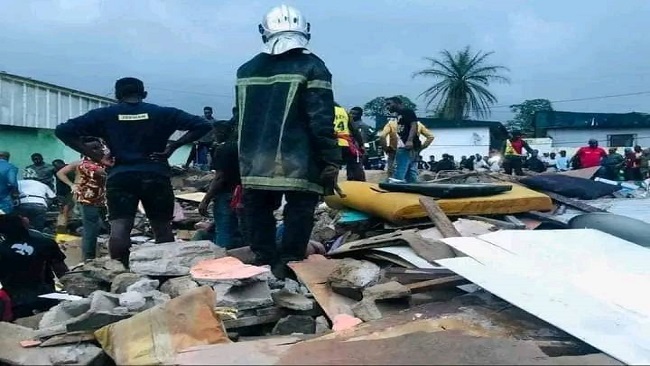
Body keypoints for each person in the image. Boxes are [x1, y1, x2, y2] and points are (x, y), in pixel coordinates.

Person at [54, 77, 211, 266]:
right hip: (156, 175)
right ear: (143, 94)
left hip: (121, 176)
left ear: (117, 95)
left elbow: (63, 130)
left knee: (119, 228)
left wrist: (96, 157)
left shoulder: (105, 115)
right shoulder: (162, 113)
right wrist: (173, 147)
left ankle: (120, 271)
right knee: (162, 228)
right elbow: (203, 125)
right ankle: (166, 271)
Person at [235, 5, 341, 278]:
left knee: (258, 210)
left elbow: (239, 118)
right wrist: (330, 159)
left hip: (254, 158)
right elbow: (320, 119)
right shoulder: (313, 67)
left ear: (264, 32)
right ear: (306, 31)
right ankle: (290, 263)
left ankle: (264, 260)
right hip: (299, 158)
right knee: (299, 210)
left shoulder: (246, 69)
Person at [0, 211, 69, 319]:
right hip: (47, 298)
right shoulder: (46, 243)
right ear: (24, 224)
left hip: (15, 302)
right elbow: (63, 274)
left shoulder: (2, 249)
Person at [55, 138, 109, 261]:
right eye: (95, 148)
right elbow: (60, 173)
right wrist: (71, 185)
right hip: (87, 198)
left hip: (104, 198)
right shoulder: (82, 164)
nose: (100, 150)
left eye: (99, 147)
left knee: (109, 226)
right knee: (90, 228)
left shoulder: (104, 162)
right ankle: (88, 258)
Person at [198, 123, 244, 249]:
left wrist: (205, 200)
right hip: (243, 194)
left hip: (227, 195)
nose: (214, 135)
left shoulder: (224, 149)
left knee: (224, 232)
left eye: (216, 132)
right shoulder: (244, 147)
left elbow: (219, 177)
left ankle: (222, 260)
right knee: (240, 229)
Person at [383, 97, 420, 182]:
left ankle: (394, 186)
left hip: (406, 145)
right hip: (406, 144)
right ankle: (413, 186)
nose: (387, 106)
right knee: (410, 172)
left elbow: (414, 125)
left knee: (399, 169)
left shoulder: (407, 112)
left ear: (397, 103)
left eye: (389, 104)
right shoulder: (398, 115)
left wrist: (409, 140)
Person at [334, 104, 365, 181]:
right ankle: (356, 182)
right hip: (345, 142)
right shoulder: (343, 111)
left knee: (331, 166)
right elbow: (354, 130)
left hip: (331, 143)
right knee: (354, 162)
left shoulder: (326, 110)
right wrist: (361, 145)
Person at [52, 159, 75, 233]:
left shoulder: (70, 170)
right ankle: (63, 228)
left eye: (57, 166)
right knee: (63, 211)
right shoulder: (56, 171)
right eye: (55, 167)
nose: (56, 168)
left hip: (70, 192)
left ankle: (64, 228)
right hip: (62, 193)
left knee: (66, 210)